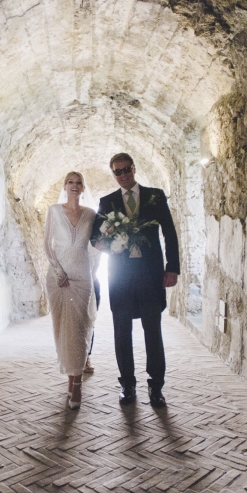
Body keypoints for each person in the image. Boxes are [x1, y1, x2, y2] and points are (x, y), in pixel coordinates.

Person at [90, 153, 180, 408]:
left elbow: (170, 233)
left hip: (150, 275)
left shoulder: (156, 195)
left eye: (126, 169)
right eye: (117, 172)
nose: (123, 175)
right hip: (120, 278)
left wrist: (172, 267)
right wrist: (111, 247)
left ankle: (156, 387)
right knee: (122, 332)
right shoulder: (106, 202)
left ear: (134, 168)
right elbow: (95, 238)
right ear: (113, 175)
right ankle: (127, 385)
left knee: (153, 332)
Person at [43, 172, 98, 409]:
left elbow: (95, 247)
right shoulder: (54, 211)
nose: (74, 186)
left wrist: (91, 270)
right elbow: (47, 244)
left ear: (83, 187)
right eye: (70, 182)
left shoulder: (91, 214)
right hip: (59, 278)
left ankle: (77, 383)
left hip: (82, 277)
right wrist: (58, 272)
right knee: (63, 330)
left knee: (80, 327)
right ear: (64, 186)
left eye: (78, 183)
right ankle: (72, 379)